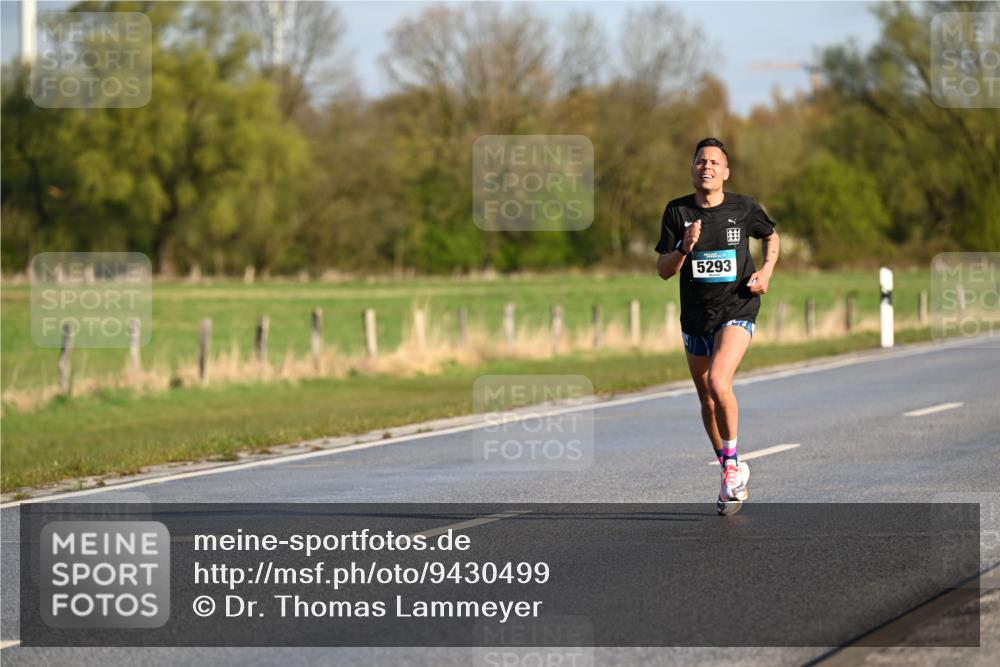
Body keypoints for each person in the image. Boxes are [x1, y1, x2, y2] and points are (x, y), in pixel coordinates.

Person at [654, 137, 780, 515]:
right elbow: (662, 270)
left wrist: (767, 270)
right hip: (696, 317)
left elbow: (771, 235)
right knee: (706, 400)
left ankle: (730, 466)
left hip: (738, 307)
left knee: (717, 382)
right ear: (691, 168)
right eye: (699, 161)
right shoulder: (677, 212)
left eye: (713, 162)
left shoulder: (744, 208)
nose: (705, 166)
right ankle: (731, 466)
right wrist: (683, 248)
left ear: (725, 171)